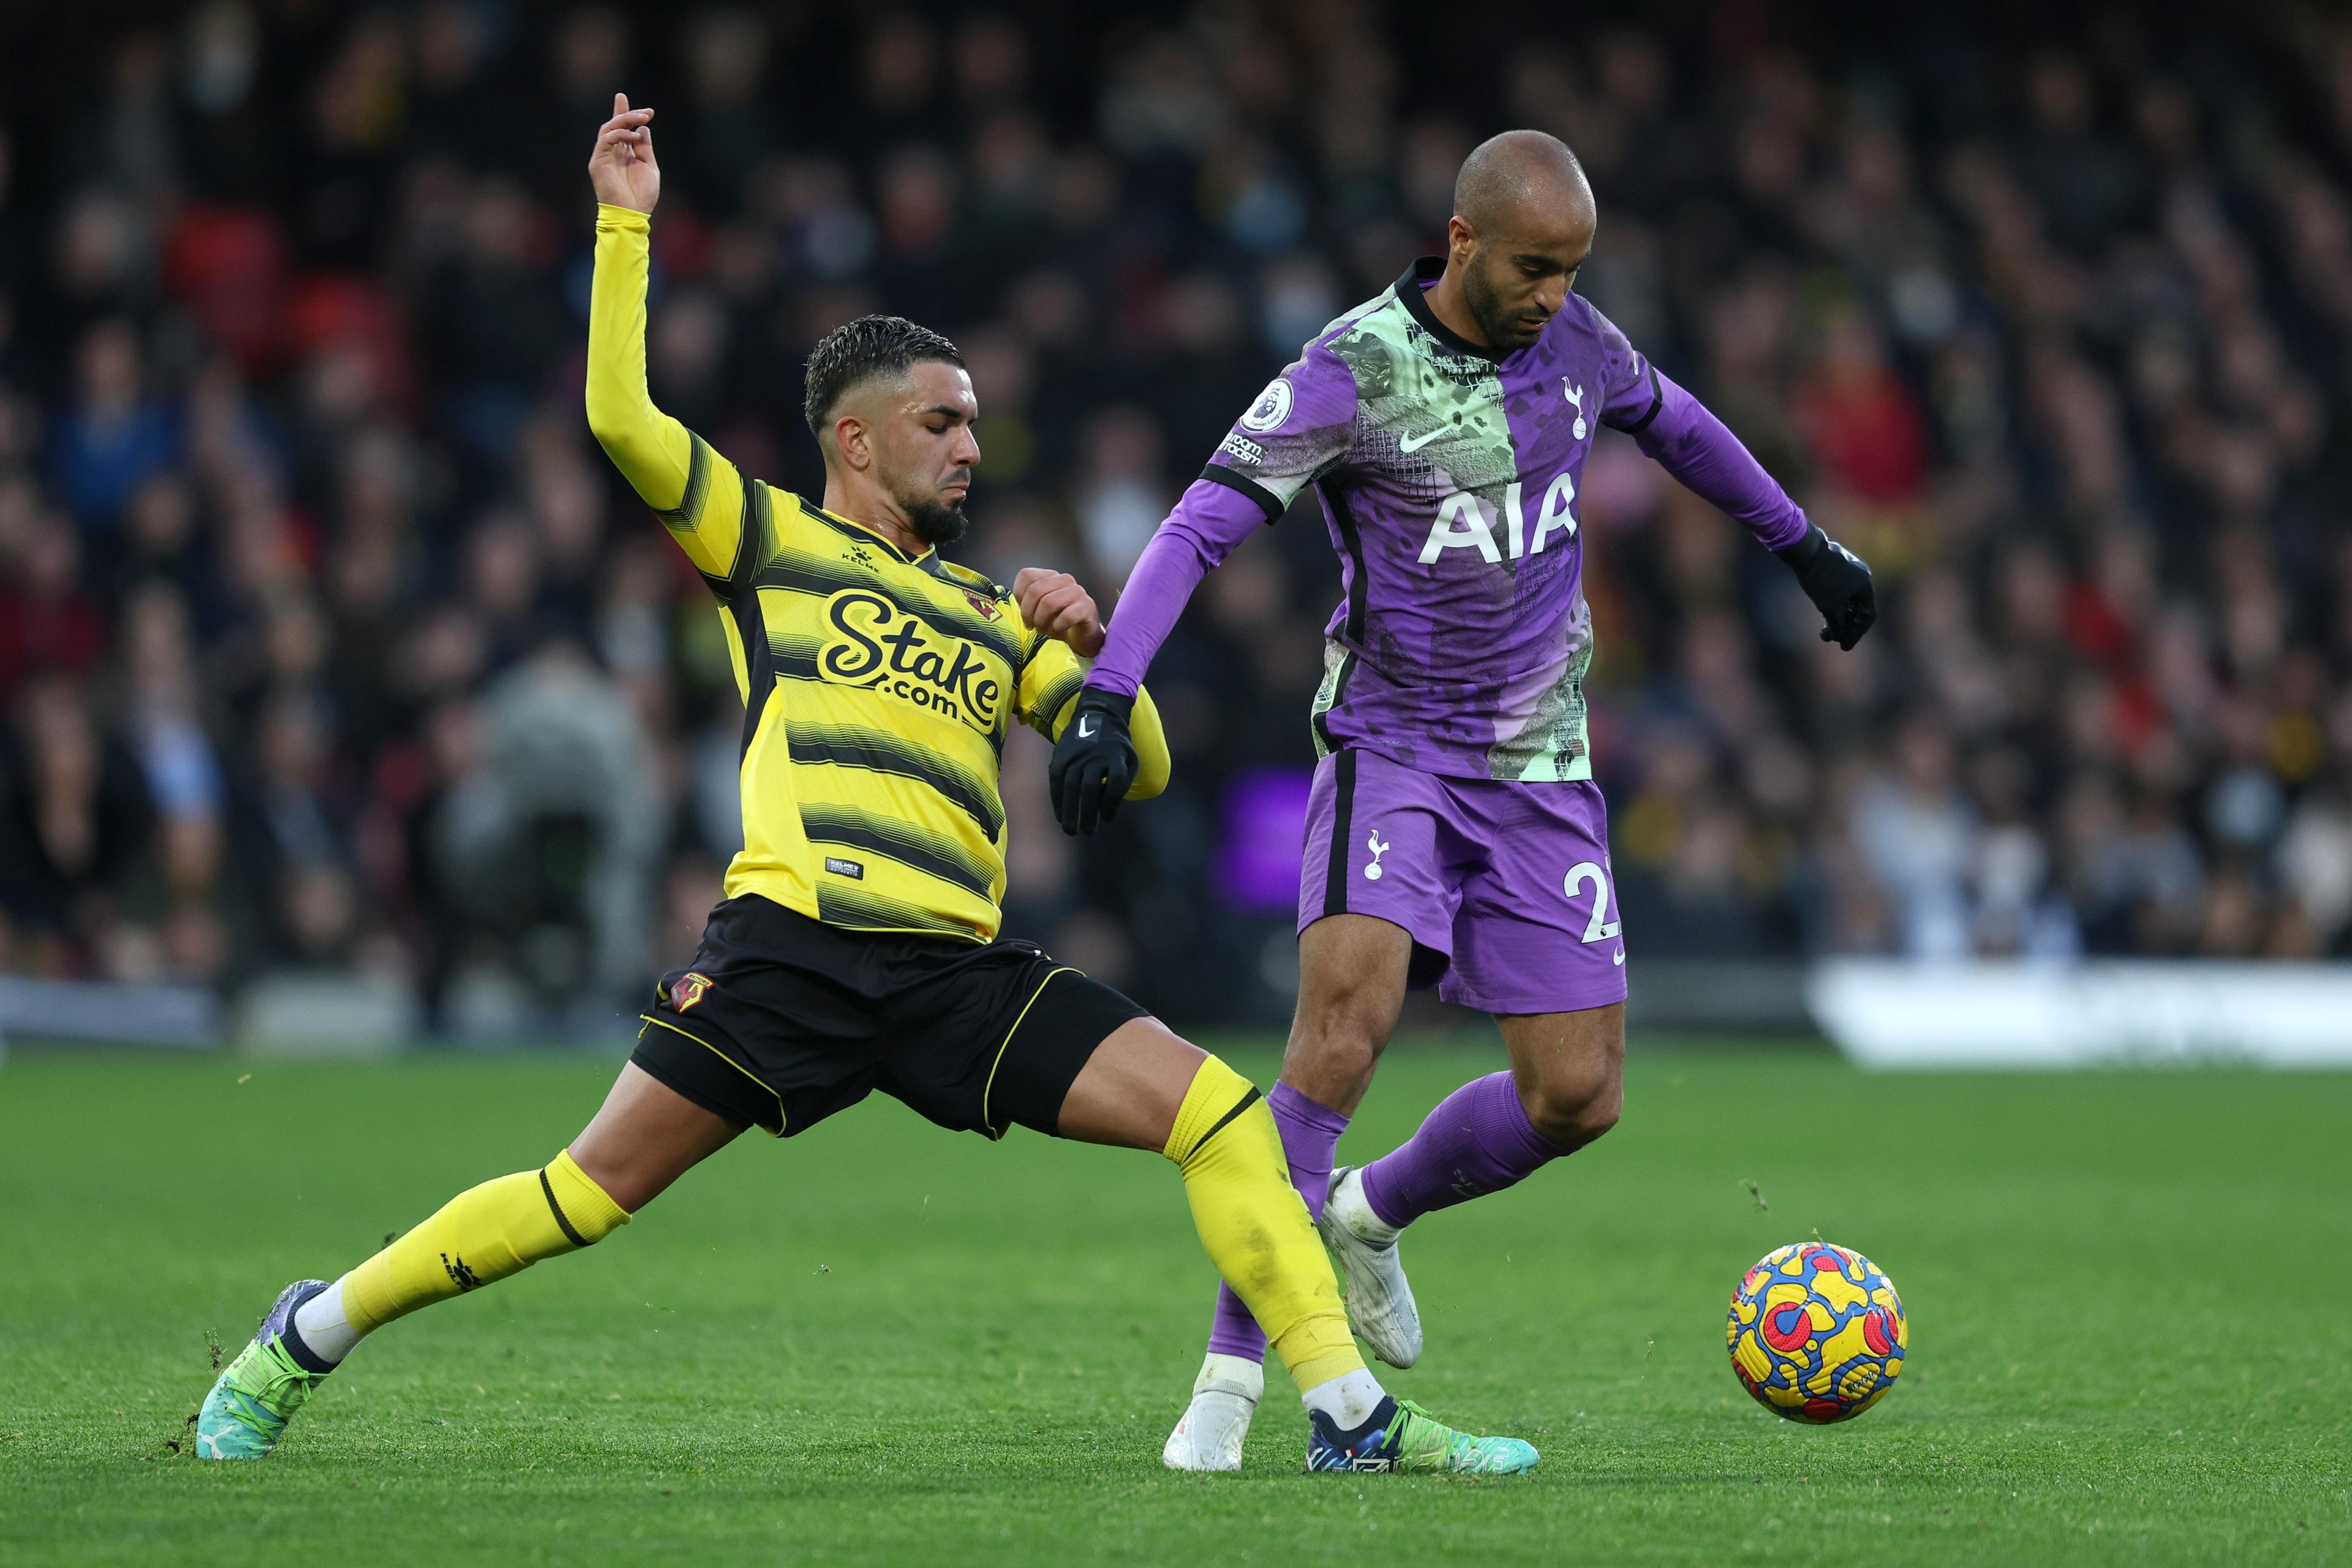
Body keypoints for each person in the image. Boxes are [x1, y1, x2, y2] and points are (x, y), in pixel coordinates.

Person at [194, 96, 1537, 1478]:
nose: (971, 446)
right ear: (856, 440)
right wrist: (623, 224)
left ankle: (1347, 1415)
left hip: (956, 972)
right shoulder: (763, 537)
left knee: (1220, 1114)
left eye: (974, 424)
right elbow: (617, 414)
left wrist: (1093, 659)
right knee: (581, 1196)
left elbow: (1140, 772)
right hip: (794, 951)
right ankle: (306, 1333)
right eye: (943, 422)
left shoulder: (993, 609)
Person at [1047, 130, 1877, 1471]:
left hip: (1542, 766)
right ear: (1463, 240)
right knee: (1343, 1031)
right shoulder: (1351, 368)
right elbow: (1204, 519)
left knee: (1578, 1095)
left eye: (1573, 272)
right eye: (1537, 268)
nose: (1556, 295)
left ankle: (1372, 1212)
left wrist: (1806, 545)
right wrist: (1107, 690)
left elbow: (1683, 427)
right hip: (1392, 750)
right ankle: (1232, 1386)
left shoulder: (1583, 345)